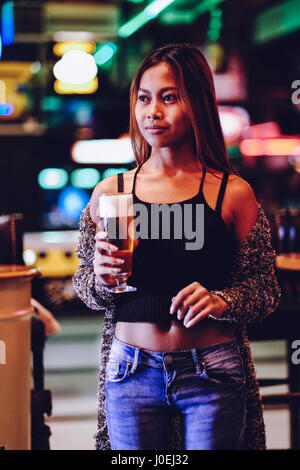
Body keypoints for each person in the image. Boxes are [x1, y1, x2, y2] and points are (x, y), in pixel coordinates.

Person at [73, 43, 281, 450]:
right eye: (144, 98)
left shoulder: (232, 193)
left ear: (198, 103)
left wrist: (223, 300)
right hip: (130, 372)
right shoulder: (111, 192)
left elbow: (266, 290)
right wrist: (99, 278)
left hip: (213, 371)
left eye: (170, 97)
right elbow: (85, 288)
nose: (153, 111)